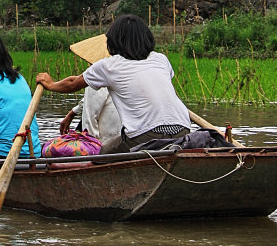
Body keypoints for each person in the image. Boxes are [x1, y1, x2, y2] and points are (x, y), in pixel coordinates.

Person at [37, 14, 190, 150]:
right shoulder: (161, 59)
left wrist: (51, 84)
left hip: (146, 135)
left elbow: (73, 83)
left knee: (102, 156)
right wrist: (73, 112)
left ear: (114, 41)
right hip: (183, 130)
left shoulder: (109, 66)